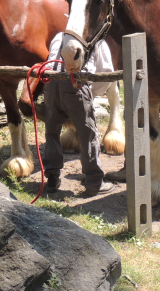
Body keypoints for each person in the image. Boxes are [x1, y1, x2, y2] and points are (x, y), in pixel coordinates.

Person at [39, 32, 116, 196]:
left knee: (52, 132)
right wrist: (90, 94)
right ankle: (94, 181)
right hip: (76, 85)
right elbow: (106, 72)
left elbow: (51, 58)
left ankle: (52, 178)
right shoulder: (96, 40)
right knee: (87, 134)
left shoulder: (58, 36)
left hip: (51, 84)